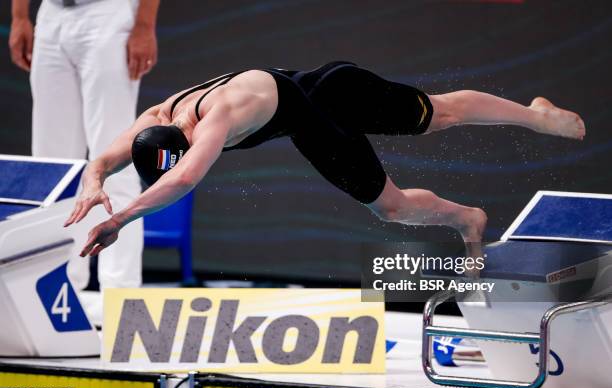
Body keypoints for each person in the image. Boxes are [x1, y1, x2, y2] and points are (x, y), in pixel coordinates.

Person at [64, 61, 585, 268]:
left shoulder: (215, 118)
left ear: (189, 137)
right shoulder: (159, 115)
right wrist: (93, 183)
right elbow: (105, 158)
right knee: (394, 210)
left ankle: (535, 117)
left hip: (335, 92)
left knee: (441, 112)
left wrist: (116, 220)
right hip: (311, 120)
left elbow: (185, 177)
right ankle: (466, 218)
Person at [9, 0, 160, 293]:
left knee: (115, 160)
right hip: (51, 15)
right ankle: (61, 291)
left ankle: (120, 291)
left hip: (108, 13)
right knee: (52, 168)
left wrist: (144, 25)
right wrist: (18, 16)